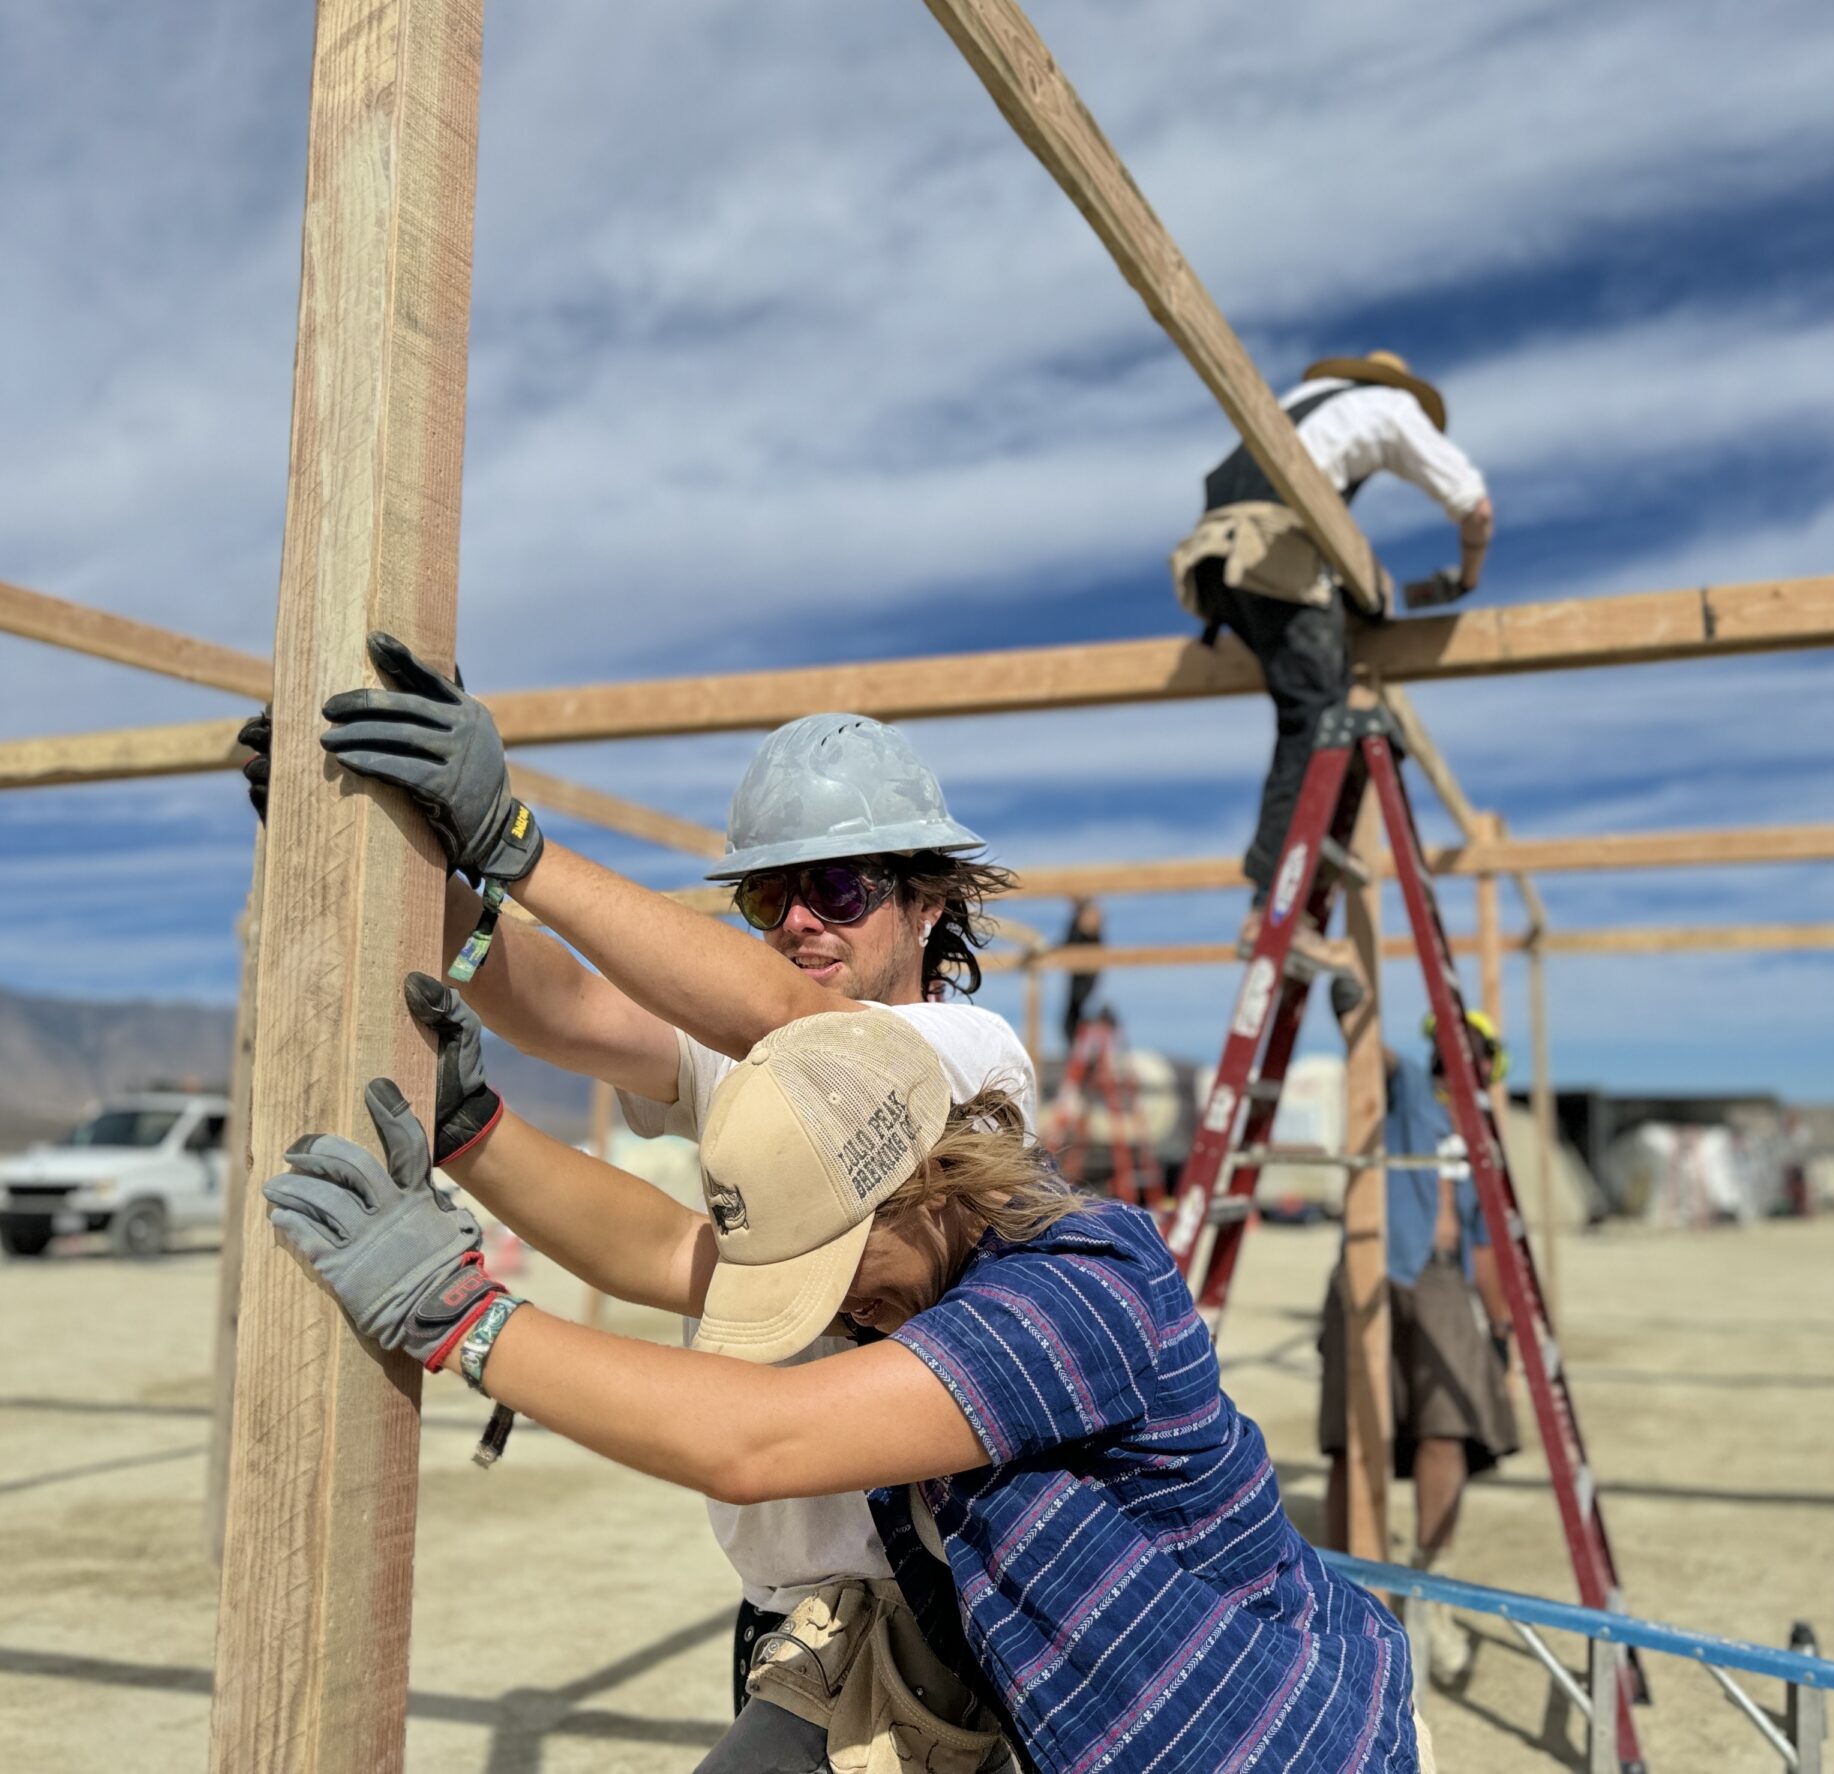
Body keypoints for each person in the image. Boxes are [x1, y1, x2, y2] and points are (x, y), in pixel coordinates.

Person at [263, 1003, 1433, 1773]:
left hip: (1289, 1740)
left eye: (837, 1274)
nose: (828, 1312)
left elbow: (752, 1445)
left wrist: (464, 1317)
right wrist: (477, 1136)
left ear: (925, 1181)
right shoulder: (927, 1264)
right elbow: (671, 1255)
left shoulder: (1073, 1292)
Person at [240, 640, 1036, 1768]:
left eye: (841, 888)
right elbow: (664, 1225)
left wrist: (517, 845)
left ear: (927, 904)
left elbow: (780, 1018)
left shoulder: (965, 1058)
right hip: (788, 1613)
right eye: (772, 894)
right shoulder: (761, 1067)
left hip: (915, 1624)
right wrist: (383, 856)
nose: (802, 921)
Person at [1168, 351, 1495, 953]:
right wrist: (1467, 575)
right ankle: (1277, 908)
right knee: (1319, 716)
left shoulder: (1295, 407)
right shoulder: (1390, 407)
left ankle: (1286, 901)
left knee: (1319, 679)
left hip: (1213, 562)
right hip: (1271, 549)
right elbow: (1474, 505)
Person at [1319, 997, 1517, 1686]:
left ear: (1491, 1067)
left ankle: (1434, 1594)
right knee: (1351, 1438)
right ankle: (1344, 1599)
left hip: (1438, 1283)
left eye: (1473, 1051)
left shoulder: (1484, 1138)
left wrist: (1500, 1327)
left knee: (1446, 1433)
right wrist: (1347, 993)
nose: (1455, 1059)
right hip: (1373, 1265)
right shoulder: (1409, 1094)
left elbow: (1488, 1244)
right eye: (1448, 1047)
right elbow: (1371, 1050)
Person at [1057, 898, 1103, 1048]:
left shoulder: (1089, 916)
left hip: (1085, 974)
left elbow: (1091, 930)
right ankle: (1076, 1044)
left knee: (1074, 1014)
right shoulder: (1078, 920)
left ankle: (1079, 1044)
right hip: (1079, 974)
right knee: (1072, 1017)